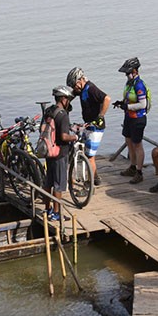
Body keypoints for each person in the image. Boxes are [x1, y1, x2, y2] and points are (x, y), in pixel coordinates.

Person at [67, 67, 110, 187]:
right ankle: (95, 177)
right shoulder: (80, 89)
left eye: (74, 85)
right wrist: (66, 103)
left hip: (96, 127)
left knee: (89, 157)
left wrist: (100, 116)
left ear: (80, 80)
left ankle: (89, 183)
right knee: (89, 154)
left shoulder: (90, 88)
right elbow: (71, 95)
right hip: (88, 125)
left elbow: (107, 99)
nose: (74, 88)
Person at [43, 85, 78, 222]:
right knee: (59, 184)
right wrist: (75, 137)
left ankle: (47, 209)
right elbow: (64, 136)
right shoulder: (62, 115)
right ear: (63, 99)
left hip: (48, 150)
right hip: (60, 153)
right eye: (68, 99)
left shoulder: (49, 111)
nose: (69, 101)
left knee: (49, 182)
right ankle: (56, 213)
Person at [113, 57, 149, 184]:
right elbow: (128, 98)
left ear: (134, 71)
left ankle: (139, 172)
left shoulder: (139, 85)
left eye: (127, 73)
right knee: (128, 141)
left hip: (138, 118)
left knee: (137, 144)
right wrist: (121, 103)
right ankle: (132, 167)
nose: (126, 75)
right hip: (128, 117)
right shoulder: (129, 83)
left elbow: (143, 104)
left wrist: (127, 107)